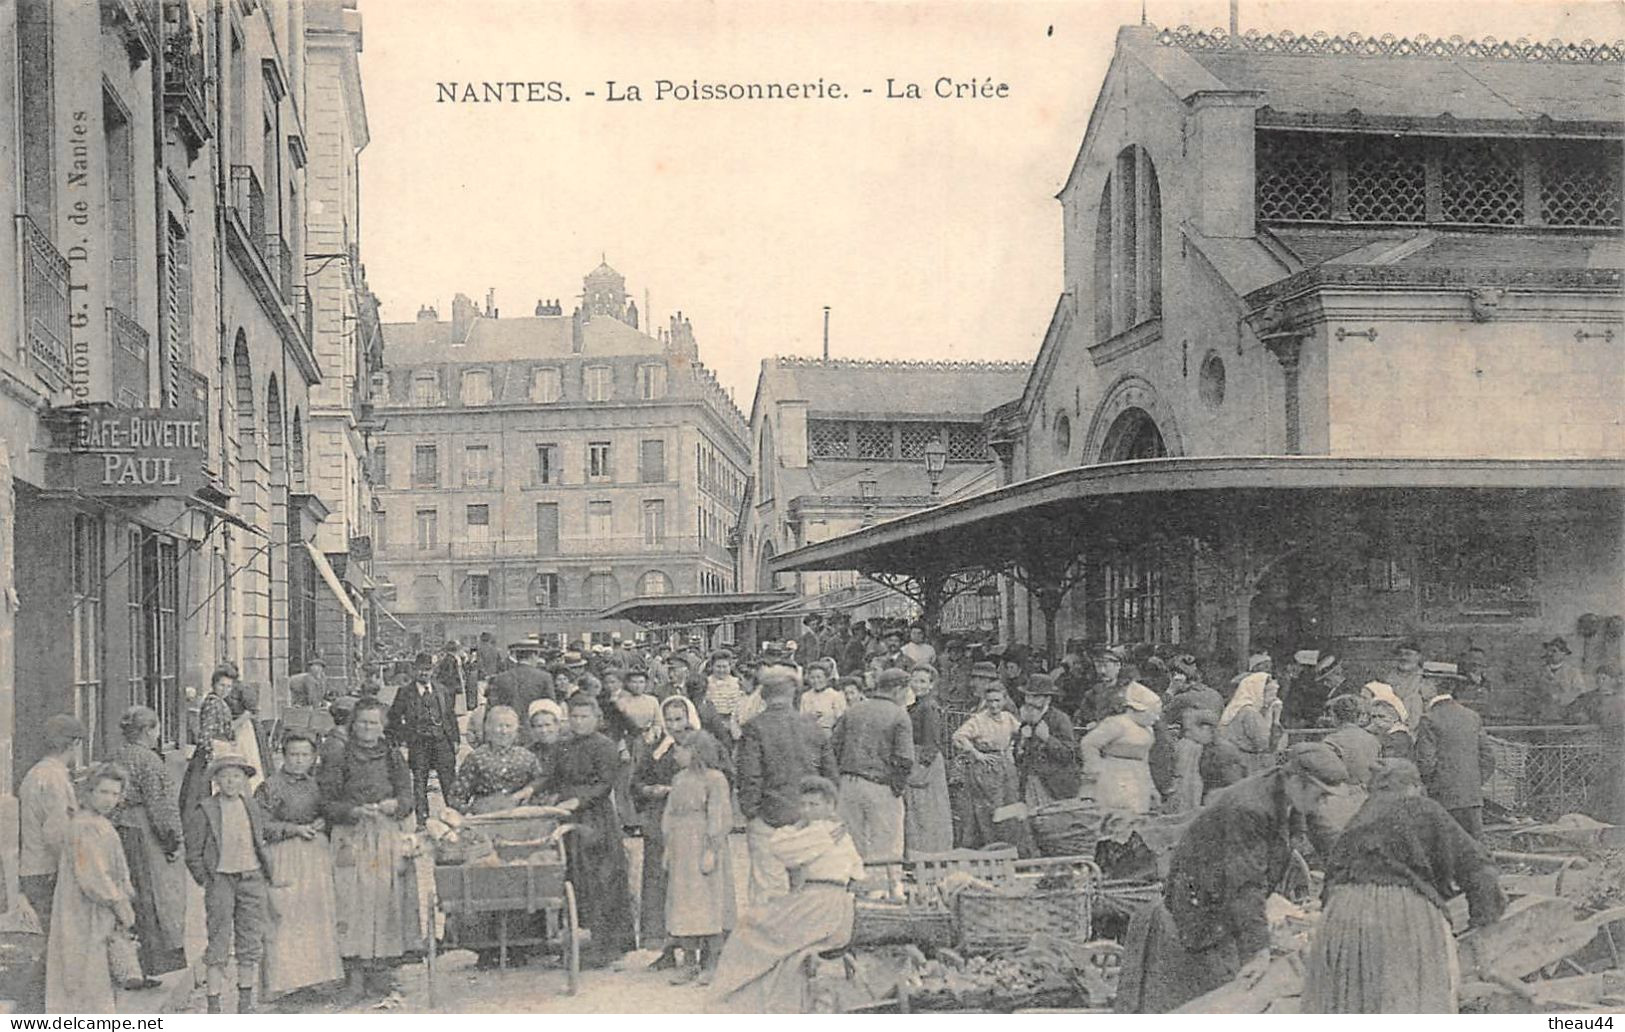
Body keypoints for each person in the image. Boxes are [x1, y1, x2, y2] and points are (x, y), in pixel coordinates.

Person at [1115, 743, 1349, 1014]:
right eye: (1321, 796)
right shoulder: (1250, 807)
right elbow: (1246, 883)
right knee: (1219, 998)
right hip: (1201, 905)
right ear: (1297, 780)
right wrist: (1257, 951)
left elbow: (1329, 841)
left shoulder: (1290, 792)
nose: (1323, 803)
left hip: (1225, 903)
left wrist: (1352, 877)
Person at [1302, 759, 1507, 1013]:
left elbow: (1332, 876)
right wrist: (1484, 918)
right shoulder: (1424, 808)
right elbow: (1477, 868)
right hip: (1404, 913)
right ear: (1413, 786)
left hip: (1342, 914)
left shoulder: (1360, 817)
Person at [708, 776, 867, 1013]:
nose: (807, 811)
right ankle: (747, 990)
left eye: (815, 805)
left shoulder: (833, 831)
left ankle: (737, 994)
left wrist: (807, 834)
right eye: (804, 805)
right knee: (757, 925)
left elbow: (789, 851)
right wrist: (804, 831)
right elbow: (780, 847)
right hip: (812, 898)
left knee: (753, 929)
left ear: (830, 806)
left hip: (824, 902)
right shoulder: (821, 832)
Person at [318, 698, 420, 999]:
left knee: (385, 899)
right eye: (362, 722)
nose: (368, 728)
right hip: (351, 836)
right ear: (353, 724)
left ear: (383, 725)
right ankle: (354, 974)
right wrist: (352, 811)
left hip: (385, 835)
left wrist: (396, 805)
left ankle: (381, 971)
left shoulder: (392, 756)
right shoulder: (339, 756)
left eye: (374, 722)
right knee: (351, 902)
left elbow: (408, 795)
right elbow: (326, 802)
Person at [543, 693, 635, 967]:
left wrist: (579, 800)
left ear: (597, 719)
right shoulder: (563, 746)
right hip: (567, 818)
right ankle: (577, 938)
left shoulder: (604, 746)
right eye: (574, 717)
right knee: (572, 877)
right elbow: (552, 777)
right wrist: (534, 791)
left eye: (585, 717)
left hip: (596, 820)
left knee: (601, 878)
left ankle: (607, 944)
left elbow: (605, 784)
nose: (579, 722)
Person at [737, 667, 838, 901]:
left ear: (763, 695)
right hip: (805, 818)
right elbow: (830, 776)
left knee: (767, 889)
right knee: (805, 888)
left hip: (768, 817)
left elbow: (749, 776)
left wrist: (751, 812)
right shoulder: (812, 727)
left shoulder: (754, 728)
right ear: (794, 693)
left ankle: (768, 936)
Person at [255, 732, 344, 999]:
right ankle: (286, 982)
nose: (299, 760)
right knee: (286, 916)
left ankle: (315, 980)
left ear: (313, 757)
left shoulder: (316, 785)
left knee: (316, 914)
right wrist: (293, 829)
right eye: (293, 754)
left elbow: (328, 812)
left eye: (305, 755)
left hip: (315, 854)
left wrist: (322, 823)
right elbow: (260, 824)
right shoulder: (270, 787)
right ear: (284, 755)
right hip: (284, 855)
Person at [184, 751, 273, 1014]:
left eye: (237, 777)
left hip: (251, 877)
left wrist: (263, 871)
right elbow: (193, 851)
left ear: (245, 780)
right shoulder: (206, 809)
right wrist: (206, 877)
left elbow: (259, 838)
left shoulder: (251, 806)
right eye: (226, 777)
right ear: (216, 781)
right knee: (219, 938)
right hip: (221, 879)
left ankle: (244, 1002)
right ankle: (214, 1003)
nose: (232, 782)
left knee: (249, 939)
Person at [45, 763, 136, 1014]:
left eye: (115, 794)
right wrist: (120, 904)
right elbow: (94, 877)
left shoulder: (98, 822)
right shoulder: (86, 826)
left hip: (96, 911)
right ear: (89, 792)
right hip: (85, 911)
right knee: (86, 976)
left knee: (95, 976)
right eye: (103, 792)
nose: (109, 799)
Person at [108, 706, 187, 982]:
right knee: (152, 897)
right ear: (146, 731)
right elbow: (159, 807)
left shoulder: (117, 755)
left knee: (129, 896)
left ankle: (127, 966)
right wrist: (172, 842)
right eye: (155, 730)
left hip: (119, 830)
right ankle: (147, 966)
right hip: (144, 833)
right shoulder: (150, 761)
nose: (157, 735)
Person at [18, 714, 86, 1009]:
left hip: (35, 867)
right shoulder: (54, 778)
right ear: (74, 744)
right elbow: (56, 834)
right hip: (46, 870)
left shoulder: (36, 773)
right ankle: (35, 1011)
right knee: (49, 948)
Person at [661, 731, 737, 986]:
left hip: (702, 844)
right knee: (683, 904)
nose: (676, 754)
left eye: (681, 749)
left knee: (709, 902)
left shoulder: (715, 779)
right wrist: (668, 848)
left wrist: (711, 849)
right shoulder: (678, 779)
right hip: (681, 847)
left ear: (696, 751)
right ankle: (689, 961)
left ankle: (712, 963)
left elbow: (719, 815)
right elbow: (669, 815)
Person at [634, 695, 700, 970]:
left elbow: (711, 782)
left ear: (688, 718)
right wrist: (648, 790)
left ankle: (695, 948)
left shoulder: (700, 745)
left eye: (679, 719)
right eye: (669, 719)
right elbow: (639, 778)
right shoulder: (658, 746)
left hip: (689, 824)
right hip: (659, 822)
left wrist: (675, 790)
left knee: (688, 885)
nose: (674, 725)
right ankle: (666, 947)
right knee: (660, 882)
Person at [830, 667, 914, 862]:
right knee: (886, 845)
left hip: (848, 785)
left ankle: (854, 888)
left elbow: (832, 748)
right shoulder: (899, 715)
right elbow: (905, 759)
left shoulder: (854, 710)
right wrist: (897, 788)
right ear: (897, 689)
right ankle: (882, 891)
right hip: (880, 785)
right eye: (905, 690)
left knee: (850, 845)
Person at [1414, 671, 1495, 840]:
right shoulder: (1471, 716)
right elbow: (1488, 758)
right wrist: (1473, 782)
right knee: (1474, 851)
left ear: (1432, 686)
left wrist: (1433, 786)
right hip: (1471, 797)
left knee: (1445, 851)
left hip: (1442, 798)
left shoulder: (1429, 719)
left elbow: (1426, 763)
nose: (1419, 688)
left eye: (1423, 683)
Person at [386, 652, 460, 825]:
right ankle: (422, 820)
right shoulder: (405, 693)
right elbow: (393, 718)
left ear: (432, 670)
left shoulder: (441, 690)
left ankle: (453, 817)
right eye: (420, 670)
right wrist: (405, 736)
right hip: (419, 743)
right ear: (414, 670)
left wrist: (455, 740)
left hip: (442, 741)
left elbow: (450, 716)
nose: (424, 673)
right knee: (420, 782)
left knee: (449, 781)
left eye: (427, 670)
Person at [951, 679, 1021, 847]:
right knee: (989, 809)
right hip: (986, 768)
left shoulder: (1008, 718)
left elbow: (1020, 732)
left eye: (997, 700)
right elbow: (958, 736)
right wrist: (977, 754)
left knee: (1008, 803)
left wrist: (1012, 749)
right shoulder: (979, 720)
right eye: (990, 701)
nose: (994, 705)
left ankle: (1006, 844)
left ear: (1004, 700)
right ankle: (988, 845)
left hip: (1005, 765)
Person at [1079, 682, 1163, 815]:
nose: (1156, 718)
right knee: (1116, 815)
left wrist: (1151, 787)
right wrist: (1094, 772)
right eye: (1152, 713)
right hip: (1113, 775)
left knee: (1137, 816)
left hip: (1138, 777)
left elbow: (1144, 759)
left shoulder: (1148, 730)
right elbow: (1089, 744)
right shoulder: (1117, 724)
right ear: (1138, 709)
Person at [448, 706, 542, 815]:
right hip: (485, 818)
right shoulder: (476, 758)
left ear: (517, 729)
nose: (504, 731)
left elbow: (540, 786)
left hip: (519, 818)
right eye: (499, 726)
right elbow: (457, 796)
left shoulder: (527, 757)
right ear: (488, 728)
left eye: (509, 726)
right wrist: (468, 814)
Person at [903, 664, 954, 855]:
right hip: (917, 757)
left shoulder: (929, 707)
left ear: (931, 685)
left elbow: (932, 742)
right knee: (918, 811)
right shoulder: (916, 705)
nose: (917, 685)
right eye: (914, 680)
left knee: (927, 809)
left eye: (922, 681)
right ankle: (921, 851)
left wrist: (921, 768)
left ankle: (931, 852)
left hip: (926, 761)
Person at [1013, 674, 1081, 807]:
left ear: (1048, 699)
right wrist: (1021, 742)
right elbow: (1018, 754)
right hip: (1029, 782)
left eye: (1036, 697)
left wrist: (1047, 738)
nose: (1030, 701)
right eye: (1027, 696)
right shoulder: (1026, 719)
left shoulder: (1060, 719)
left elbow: (1070, 754)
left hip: (1053, 786)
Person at [181, 667, 238, 816]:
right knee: (203, 792)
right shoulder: (213, 703)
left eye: (229, 686)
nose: (225, 689)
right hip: (211, 751)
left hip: (219, 748)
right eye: (222, 685)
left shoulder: (219, 702)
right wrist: (211, 758)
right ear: (214, 685)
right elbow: (206, 734)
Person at [1218, 671, 1286, 776]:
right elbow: (1265, 744)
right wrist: (1275, 717)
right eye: (1270, 693)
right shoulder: (1250, 713)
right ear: (1257, 692)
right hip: (1248, 765)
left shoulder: (1237, 709)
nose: (1274, 699)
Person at [1166, 708, 1218, 814]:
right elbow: (1179, 769)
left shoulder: (1195, 746)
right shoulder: (1188, 746)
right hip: (1185, 782)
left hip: (1192, 781)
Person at [485, 651, 555, 724]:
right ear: (533, 655)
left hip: (507, 727)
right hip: (534, 727)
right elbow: (551, 707)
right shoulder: (544, 677)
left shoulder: (501, 678)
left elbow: (491, 708)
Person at [226, 683, 271, 795]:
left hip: (245, 729)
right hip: (235, 729)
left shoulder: (242, 688)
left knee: (250, 758)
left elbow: (250, 711)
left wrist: (236, 723)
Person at [1537, 636, 1589, 721]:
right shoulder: (1540, 671)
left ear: (1563, 653)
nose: (1550, 654)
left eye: (1554, 651)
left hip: (1565, 715)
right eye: (1549, 651)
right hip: (1542, 715)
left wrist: (1561, 699)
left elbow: (1579, 692)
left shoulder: (1573, 672)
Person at [1364, 682, 1415, 762]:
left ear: (1395, 718)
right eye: (1374, 716)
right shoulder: (1385, 733)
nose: (1376, 720)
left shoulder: (1397, 738)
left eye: (1382, 716)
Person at [1386, 641, 1428, 736]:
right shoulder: (1388, 679)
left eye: (1408, 654)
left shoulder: (1425, 679)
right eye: (1400, 654)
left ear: (1419, 657)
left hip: (1418, 732)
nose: (1403, 658)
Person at [704, 651, 746, 741]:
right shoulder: (705, 683)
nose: (721, 670)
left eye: (725, 667)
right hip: (712, 727)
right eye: (718, 667)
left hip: (733, 726)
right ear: (712, 667)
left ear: (730, 667)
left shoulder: (738, 683)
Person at [526, 699, 566, 795]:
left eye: (548, 725)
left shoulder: (568, 748)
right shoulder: (528, 752)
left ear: (557, 725)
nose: (544, 730)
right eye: (539, 726)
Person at [797, 658, 846, 733]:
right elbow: (801, 718)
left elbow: (841, 720)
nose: (816, 681)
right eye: (812, 678)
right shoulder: (805, 696)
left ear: (826, 678)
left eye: (819, 677)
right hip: (808, 733)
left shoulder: (835, 695)